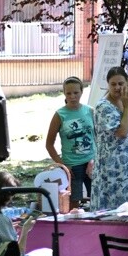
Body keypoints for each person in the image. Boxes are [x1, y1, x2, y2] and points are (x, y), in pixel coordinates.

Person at [92, 67, 128, 210]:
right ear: (108, 85)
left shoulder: (127, 101)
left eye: (120, 84)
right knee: (118, 210)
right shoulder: (104, 107)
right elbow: (122, 132)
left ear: (126, 83)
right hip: (114, 169)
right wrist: (126, 107)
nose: (117, 87)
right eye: (113, 84)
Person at [45, 76, 95, 208]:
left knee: (96, 199)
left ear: (82, 92)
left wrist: (94, 159)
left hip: (91, 163)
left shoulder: (90, 111)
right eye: (69, 93)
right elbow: (49, 144)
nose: (72, 97)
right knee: (73, 203)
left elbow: (98, 137)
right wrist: (62, 165)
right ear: (64, 93)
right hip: (72, 166)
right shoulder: (60, 115)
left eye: (76, 93)